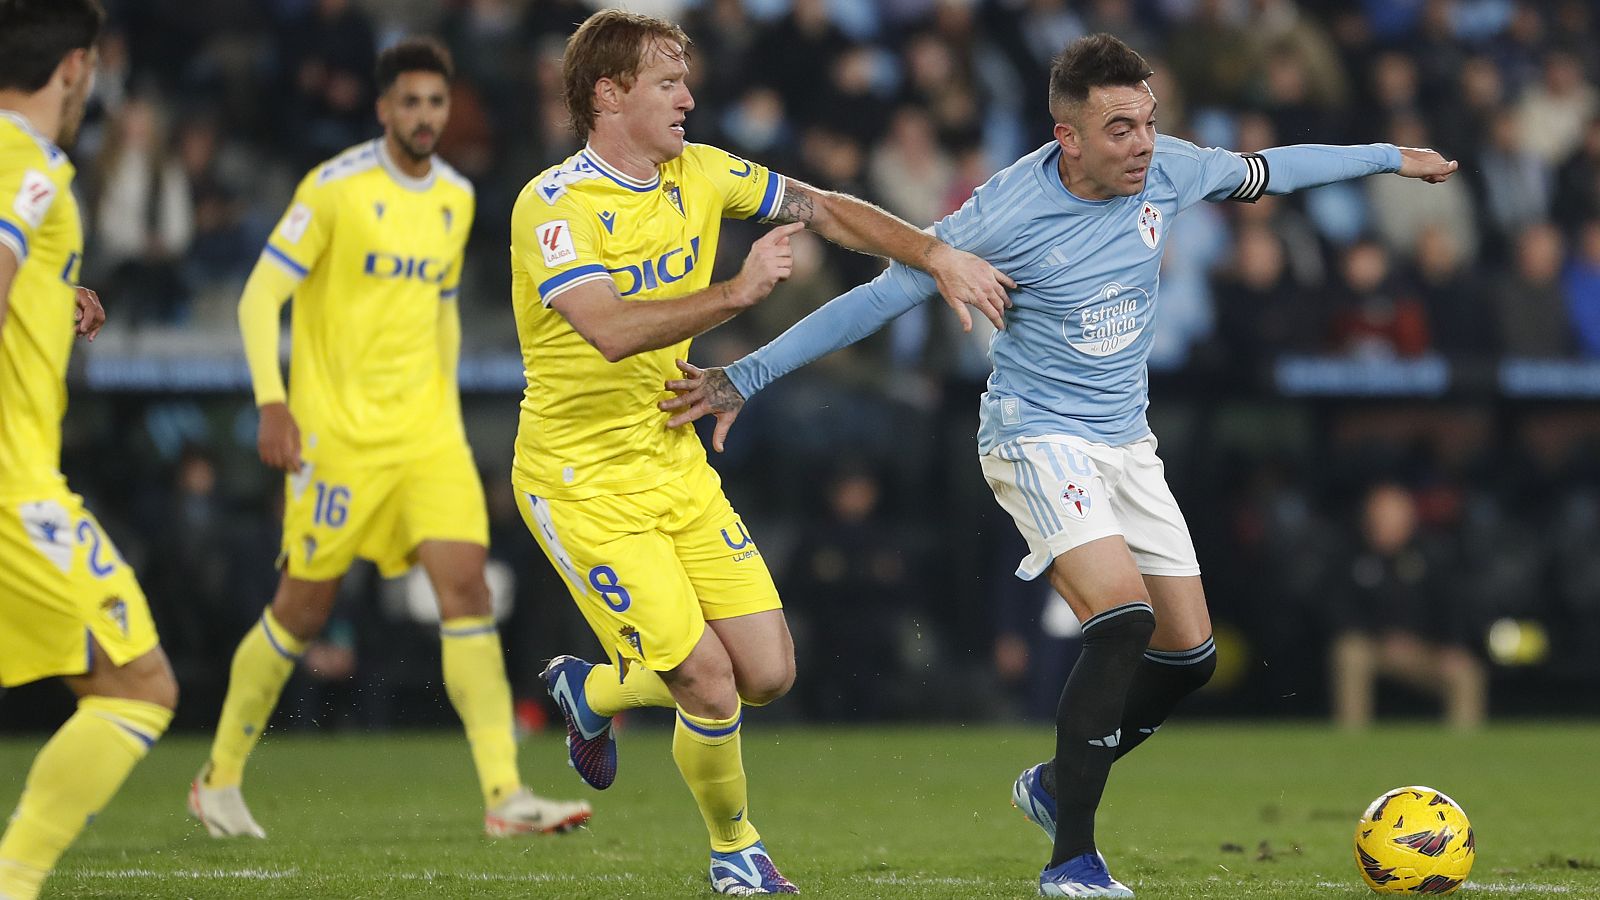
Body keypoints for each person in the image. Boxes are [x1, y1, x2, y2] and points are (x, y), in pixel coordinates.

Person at [660, 33, 1459, 898]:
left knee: (1189, 656)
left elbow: (1270, 168)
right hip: (1034, 435)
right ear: (1067, 136)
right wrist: (747, 372)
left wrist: (1388, 159)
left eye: (1149, 122)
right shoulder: (1003, 214)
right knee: (1121, 621)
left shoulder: (1170, 171)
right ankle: (1072, 862)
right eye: (1120, 129)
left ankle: (1053, 783)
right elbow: (883, 295)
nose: (1144, 144)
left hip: (1127, 440)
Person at [516, 10, 1013, 895]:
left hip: (673, 462)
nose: (689, 97)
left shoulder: (703, 173)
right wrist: (738, 292)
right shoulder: (552, 205)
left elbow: (824, 209)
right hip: (581, 481)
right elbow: (606, 331)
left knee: (770, 674)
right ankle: (735, 852)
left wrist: (933, 252)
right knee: (708, 681)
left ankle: (589, 693)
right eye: (668, 82)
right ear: (609, 93)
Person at [188, 36, 591, 840]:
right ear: (383, 110)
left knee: (468, 591)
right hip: (337, 441)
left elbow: (440, 310)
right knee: (300, 612)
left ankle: (505, 796)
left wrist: (443, 414)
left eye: (435, 103)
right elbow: (259, 297)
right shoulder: (334, 189)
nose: (423, 116)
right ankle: (218, 779)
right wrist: (273, 403)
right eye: (408, 102)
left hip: (425, 440)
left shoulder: (456, 196)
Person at [0, 3, 179, 899]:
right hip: (11, 485)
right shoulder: (30, 165)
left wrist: (50, 291)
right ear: (75, 68)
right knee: (136, 686)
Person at [1328, 483, 1486, 731]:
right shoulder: (1351, 558)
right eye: (1380, 516)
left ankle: (1464, 751)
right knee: (1349, 652)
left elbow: (1451, 607)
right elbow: (1340, 613)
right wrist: (1382, 637)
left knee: (1466, 671)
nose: (1386, 524)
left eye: (1393, 516)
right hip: (1375, 648)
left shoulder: (1432, 557)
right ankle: (1352, 740)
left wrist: (1452, 645)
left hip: (1422, 652)